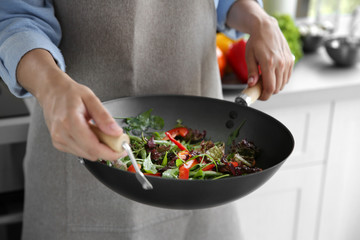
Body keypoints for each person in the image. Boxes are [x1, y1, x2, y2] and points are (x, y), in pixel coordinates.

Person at [0, 0, 294, 239]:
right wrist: (50, 85)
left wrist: (258, 18)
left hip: (204, 182)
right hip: (79, 142)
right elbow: (12, 16)